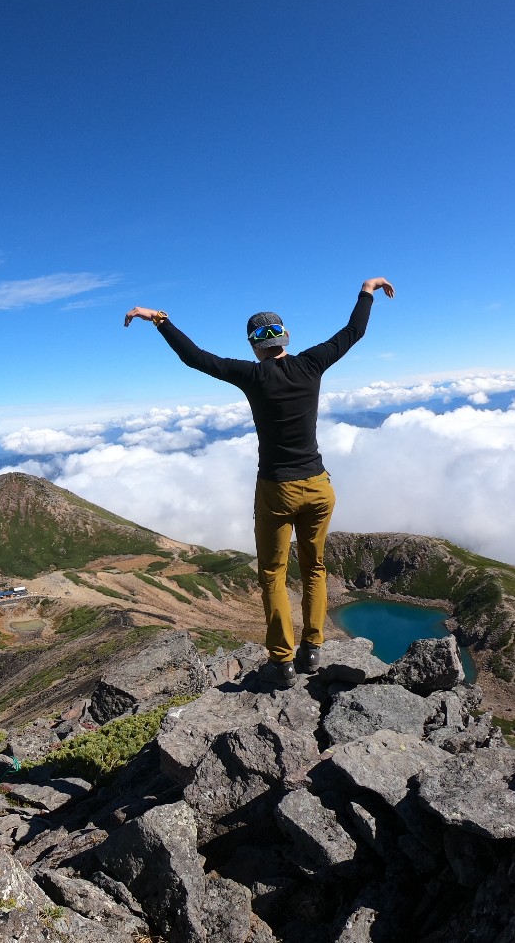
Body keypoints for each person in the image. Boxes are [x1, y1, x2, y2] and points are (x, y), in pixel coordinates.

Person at [124, 278, 395, 690]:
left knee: (272, 573)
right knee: (315, 568)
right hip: (319, 487)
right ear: (286, 337)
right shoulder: (312, 363)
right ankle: (313, 648)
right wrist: (366, 290)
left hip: (276, 490)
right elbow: (354, 331)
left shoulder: (252, 375)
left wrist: (159, 319)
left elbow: (196, 358)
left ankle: (282, 662)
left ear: (254, 345)